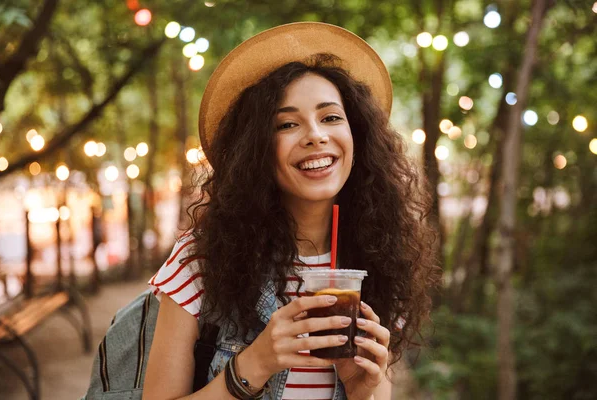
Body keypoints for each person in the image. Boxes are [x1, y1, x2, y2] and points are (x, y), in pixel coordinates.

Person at [143, 22, 439, 400]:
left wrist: (362, 389)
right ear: (257, 150)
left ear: (357, 135)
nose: (315, 135)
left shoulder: (382, 257)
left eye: (331, 117)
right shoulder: (200, 260)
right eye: (286, 123)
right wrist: (257, 363)